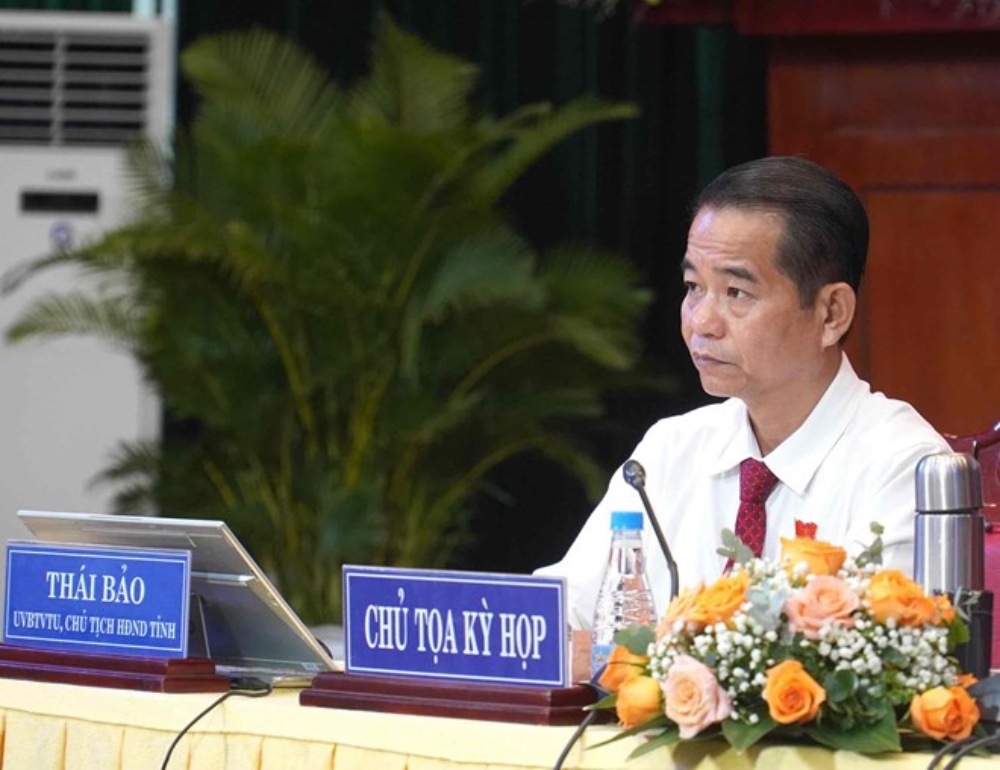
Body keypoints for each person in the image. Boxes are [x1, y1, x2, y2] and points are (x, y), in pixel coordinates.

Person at [536, 156, 949, 631]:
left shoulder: (902, 467)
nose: (701, 323)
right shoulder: (669, 451)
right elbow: (556, 620)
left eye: (736, 293)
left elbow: (859, 667)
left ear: (832, 312)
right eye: (694, 287)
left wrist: (632, 659)